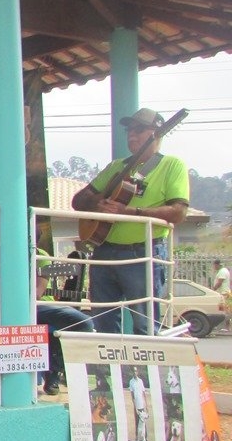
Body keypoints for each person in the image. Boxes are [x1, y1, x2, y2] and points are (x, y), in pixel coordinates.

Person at [71, 108, 189, 335]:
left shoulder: (171, 165)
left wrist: (131, 211)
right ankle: (108, 359)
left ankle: (146, 360)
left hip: (143, 250)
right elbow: (78, 201)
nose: (131, 135)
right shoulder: (117, 166)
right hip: (104, 249)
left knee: (145, 323)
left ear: (156, 133)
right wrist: (98, 203)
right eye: (129, 130)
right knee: (103, 319)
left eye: (139, 129)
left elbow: (178, 212)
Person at [35, 249, 95, 396]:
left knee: (85, 323)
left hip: (41, 306)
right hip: (8, 308)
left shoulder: (40, 255)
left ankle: (59, 370)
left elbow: (37, 293)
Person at [128, 366, 149, 441]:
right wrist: (135, 407)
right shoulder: (131, 382)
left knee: (143, 424)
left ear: (138, 372)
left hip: (142, 406)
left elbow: (144, 393)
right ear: (132, 372)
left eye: (136, 371)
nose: (135, 372)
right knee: (137, 423)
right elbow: (132, 396)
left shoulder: (140, 381)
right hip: (136, 407)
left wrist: (146, 405)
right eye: (133, 371)